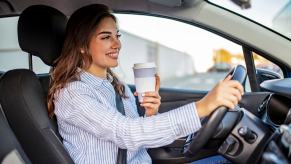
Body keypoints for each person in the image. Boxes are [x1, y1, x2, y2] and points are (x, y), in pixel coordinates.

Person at [47, 4, 244, 164]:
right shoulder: (73, 94)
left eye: (117, 35)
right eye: (106, 37)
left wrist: (151, 113)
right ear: (82, 45)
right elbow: (127, 133)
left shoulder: (116, 84)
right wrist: (203, 106)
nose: (117, 44)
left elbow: (138, 139)